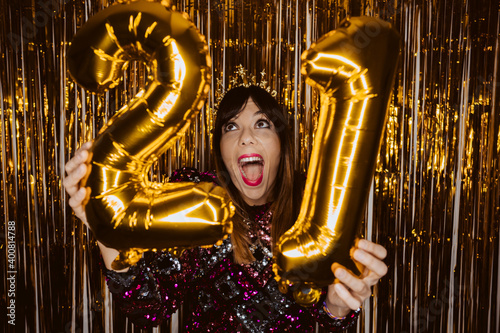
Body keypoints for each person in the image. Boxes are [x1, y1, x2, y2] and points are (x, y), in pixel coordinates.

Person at [64, 84, 388, 332]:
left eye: (262, 124)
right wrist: (103, 225)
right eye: (230, 127)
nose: (245, 138)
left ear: (282, 143)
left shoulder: (316, 211)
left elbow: (331, 319)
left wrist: (338, 304)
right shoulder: (196, 210)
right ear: (220, 149)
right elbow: (148, 308)